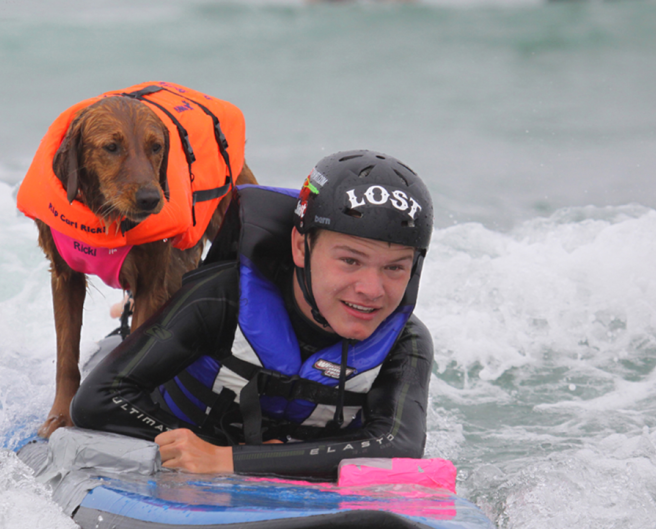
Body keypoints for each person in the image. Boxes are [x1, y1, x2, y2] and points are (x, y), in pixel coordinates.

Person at [70, 150, 434, 479]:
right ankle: (132, 309)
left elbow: (397, 447)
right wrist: (204, 449)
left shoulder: (405, 341)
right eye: (350, 260)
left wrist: (233, 460)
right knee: (142, 321)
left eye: (395, 269)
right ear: (299, 246)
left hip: (230, 453)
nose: (371, 290)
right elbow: (99, 399)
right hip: (185, 416)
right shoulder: (221, 298)